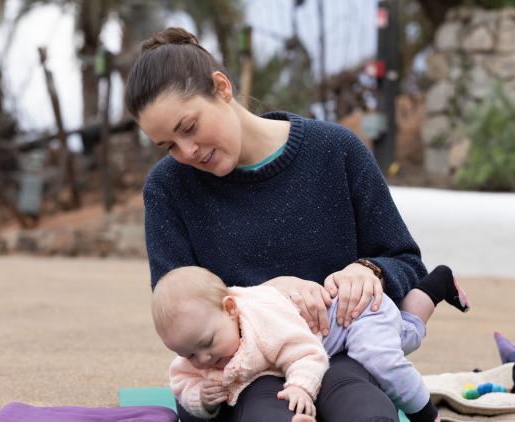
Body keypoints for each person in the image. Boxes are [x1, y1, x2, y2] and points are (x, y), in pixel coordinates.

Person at [125, 26, 444, 421]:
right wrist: (269, 294)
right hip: (242, 370)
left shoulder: (335, 151)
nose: (186, 152)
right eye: (168, 146)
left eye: (188, 128)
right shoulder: (168, 187)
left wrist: (369, 271)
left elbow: (406, 262)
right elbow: (178, 308)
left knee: (363, 413)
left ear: (222, 87)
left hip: (339, 351)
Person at [151, 266, 470, 421]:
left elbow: (308, 354)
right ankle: (435, 286)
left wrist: (301, 389)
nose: (204, 360)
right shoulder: (200, 344)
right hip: (332, 333)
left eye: (207, 344)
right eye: (189, 353)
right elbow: (180, 383)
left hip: (352, 316)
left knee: (384, 358)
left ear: (231, 309)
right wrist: (201, 400)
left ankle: (427, 416)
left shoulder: (264, 322)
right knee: (407, 334)